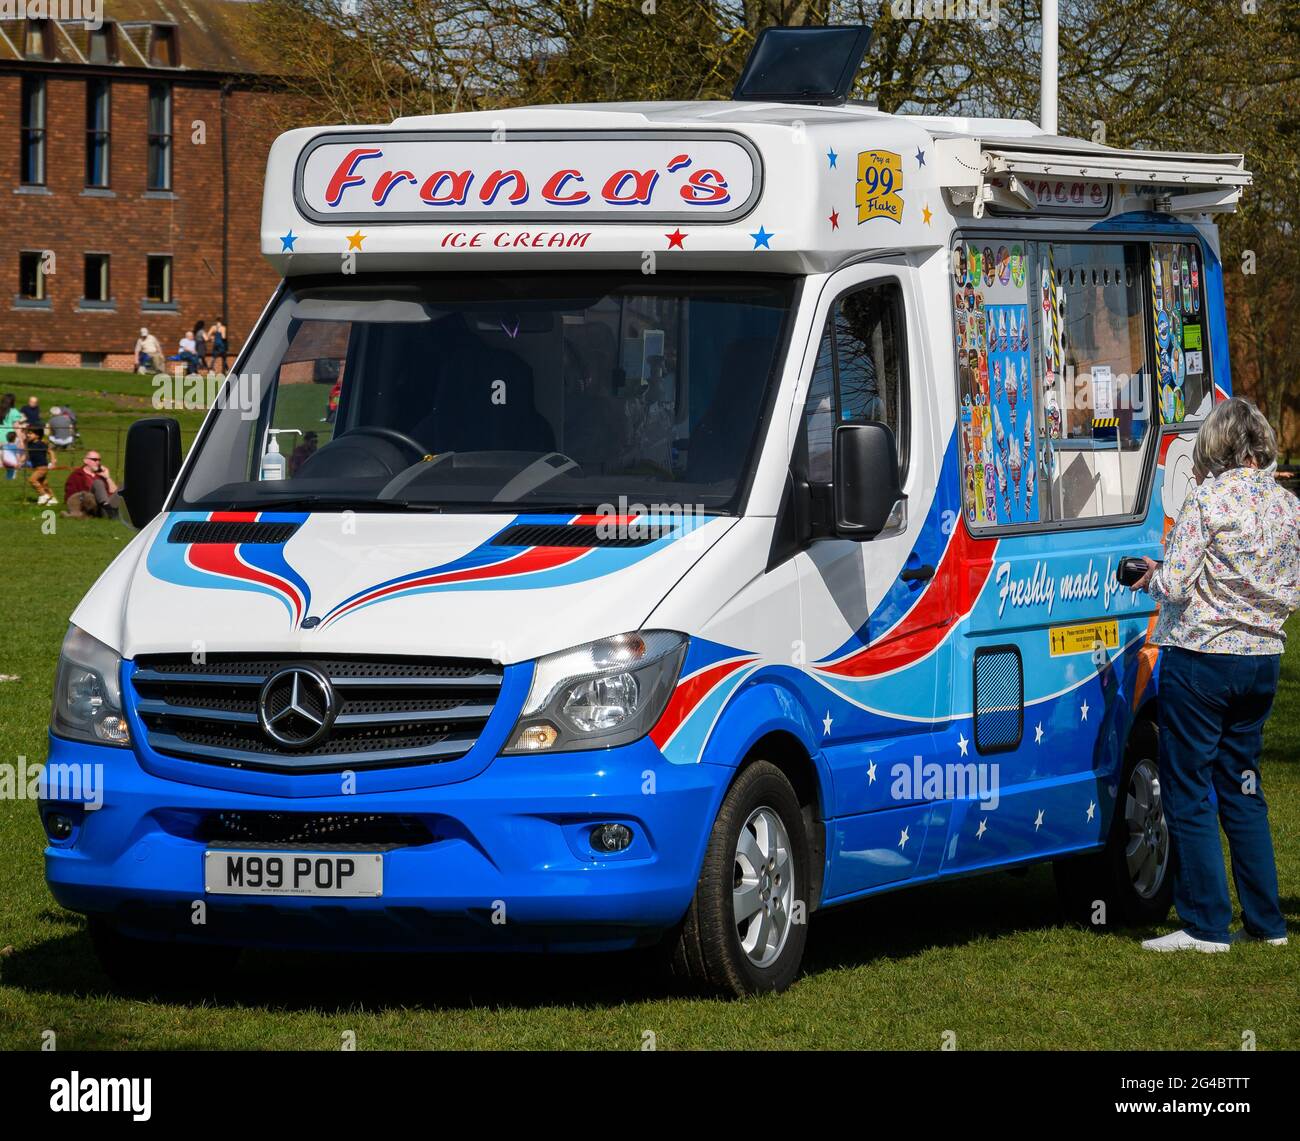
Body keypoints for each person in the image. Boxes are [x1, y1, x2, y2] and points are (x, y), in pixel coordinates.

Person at [1135, 397, 1299, 952]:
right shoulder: (1287, 505)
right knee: (1244, 785)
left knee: (1189, 787)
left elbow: (1178, 584)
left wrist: (1146, 579)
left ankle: (1206, 924)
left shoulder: (1208, 499)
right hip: (1262, 661)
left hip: (1203, 658)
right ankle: (1268, 922)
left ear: (1218, 447)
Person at [63, 449, 120, 519]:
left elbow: (114, 492)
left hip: (107, 506)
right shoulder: (76, 475)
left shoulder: (101, 475)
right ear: (85, 461)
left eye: (99, 460)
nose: (98, 462)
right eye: (95, 460)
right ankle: (109, 510)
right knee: (98, 483)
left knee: (125, 486)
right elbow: (70, 497)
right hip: (91, 506)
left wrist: (108, 477)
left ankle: (111, 510)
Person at [23, 421, 55, 505]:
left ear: (37, 435)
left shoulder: (41, 443)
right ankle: (52, 498)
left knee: (32, 480)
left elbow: (50, 451)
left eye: (30, 433)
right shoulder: (29, 444)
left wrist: (53, 461)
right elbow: (26, 453)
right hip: (36, 467)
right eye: (28, 433)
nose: (28, 435)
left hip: (42, 467)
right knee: (44, 483)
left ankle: (43, 495)